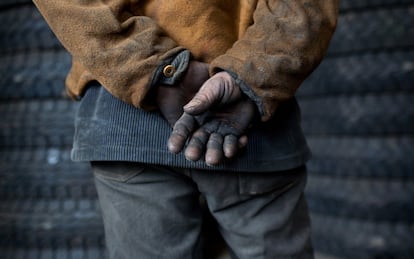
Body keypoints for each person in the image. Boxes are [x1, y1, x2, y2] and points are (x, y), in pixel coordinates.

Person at [33, 1, 338, 258]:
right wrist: (249, 76)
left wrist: (155, 69)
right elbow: (304, 9)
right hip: (249, 118)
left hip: (129, 115)